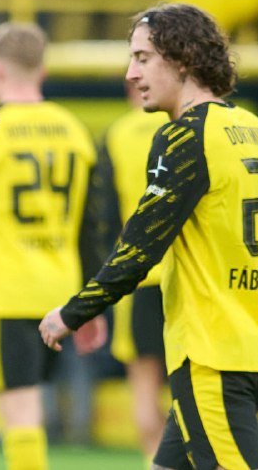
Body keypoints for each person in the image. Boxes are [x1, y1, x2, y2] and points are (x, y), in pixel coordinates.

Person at [39, 3, 258, 470]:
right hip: (253, 353)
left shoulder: (184, 137)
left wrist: (74, 312)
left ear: (183, 59)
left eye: (142, 58)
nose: (131, 73)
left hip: (210, 360)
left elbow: (141, 246)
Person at [0, 22, 105, 470]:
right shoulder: (74, 132)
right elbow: (91, 228)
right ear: (42, 70)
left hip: (7, 293)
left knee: (20, 409)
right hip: (62, 293)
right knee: (36, 405)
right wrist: (91, 302)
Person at [96, 81, 170, 462]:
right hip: (184, 275)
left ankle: (154, 460)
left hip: (137, 275)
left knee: (144, 384)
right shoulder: (182, 127)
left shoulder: (117, 135)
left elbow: (105, 216)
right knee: (193, 386)